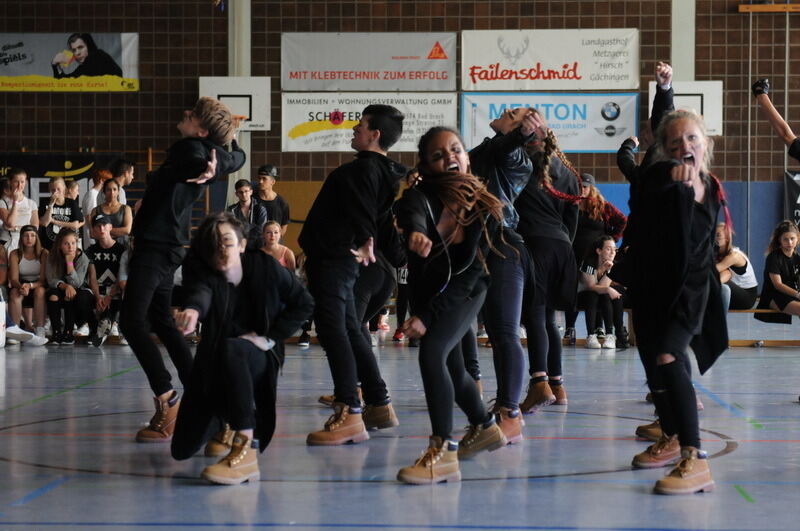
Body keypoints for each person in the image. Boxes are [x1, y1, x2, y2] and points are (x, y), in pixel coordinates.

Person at [120, 97, 245, 445]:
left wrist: (208, 163)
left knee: (130, 322)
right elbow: (237, 157)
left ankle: (167, 399)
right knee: (161, 320)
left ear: (201, 130)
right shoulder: (207, 151)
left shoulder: (190, 149)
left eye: (191, 116)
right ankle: (207, 401)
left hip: (158, 247)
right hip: (163, 244)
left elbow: (199, 157)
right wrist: (218, 163)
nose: (184, 115)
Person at [616, 109, 728, 495]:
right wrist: (669, 177)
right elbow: (646, 188)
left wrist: (686, 182)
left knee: (668, 356)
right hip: (651, 286)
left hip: (690, 289)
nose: (685, 146)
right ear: (663, 150)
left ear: (706, 144)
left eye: (692, 139)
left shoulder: (710, 186)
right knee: (652, 363)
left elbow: (699, 238)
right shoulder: (656, 178)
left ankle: (695, 458)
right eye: (675, 142)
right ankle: (672, 436)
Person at [394, 127, 508, 485]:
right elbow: (411, 212)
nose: (450, 158)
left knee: (431, 353)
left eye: (456, 149)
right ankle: (485, 426)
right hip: (426, 291)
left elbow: (471, 275)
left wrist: (429, 317)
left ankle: (442, 450)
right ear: (427, 165)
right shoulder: (419, 196)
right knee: (454, 369)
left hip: (466, 292)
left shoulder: (486, 206)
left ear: (468, 157)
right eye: (439, 155)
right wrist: (415, 233)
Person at [169, 213, 313, 485]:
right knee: (182, 449)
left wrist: (270, 338)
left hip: (257, 355)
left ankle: (245, 448)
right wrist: (192, 310)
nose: (221, 249)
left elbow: (304, 303)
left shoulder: (266, 267)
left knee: (233, 349)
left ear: (243, 244)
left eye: (227, 242)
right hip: (213, 361)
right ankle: (220, 417)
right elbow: (200, 292)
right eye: (214, 244)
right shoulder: (206, 272)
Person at [299, 104, 405, 445]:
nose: (354, 130)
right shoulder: (380, 172)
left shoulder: (363, 171)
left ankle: (349, 410)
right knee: (348, 327)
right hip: (338, 257)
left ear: (374, 134)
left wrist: (364, 240)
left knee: (333, 330)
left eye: (360, 126)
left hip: (336, 258)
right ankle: (378, 402)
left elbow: (363, 213)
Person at [468, 106, 541, 441]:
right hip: (475, 247)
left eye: (513, 113)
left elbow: (507, 147)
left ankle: (510, 412)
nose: (504, 110)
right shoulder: (485, 150)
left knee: (506, 333)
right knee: (495, 335)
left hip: (502, 247)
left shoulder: (516, 158)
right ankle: (501, 406)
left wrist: (521, 135)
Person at [516, 117, 582, 412]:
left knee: (535, 317)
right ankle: (558, 384)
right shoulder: (568, 172)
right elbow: (573, 219)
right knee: (550, 319)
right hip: (563, 248)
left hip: (536, 245)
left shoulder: (520, 165)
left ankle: (538, 382)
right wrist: (563, 241)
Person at [564, 173, 627, 346]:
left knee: (597, 287)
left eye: (585, 186)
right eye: (579, 186)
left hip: (595, 255)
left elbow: (622, 220)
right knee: (574, 288)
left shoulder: (602, 206)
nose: (582, 189)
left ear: (591, 188)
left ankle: (600, 327)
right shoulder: (571, 205)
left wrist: (610, 241)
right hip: (574, 254)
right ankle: (570, 326)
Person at [45, 229, 95, 345]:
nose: (70, 247)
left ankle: (68, 332)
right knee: (53, 296)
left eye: (73, 243)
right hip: (59, 287)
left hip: (78, 289)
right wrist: (65, 285)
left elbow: (77, 284)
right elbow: (51, 279)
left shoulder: (82, 258)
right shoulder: (51, 256)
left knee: (70, 295)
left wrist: (69, 263)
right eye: (66, 243)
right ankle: (56, 333)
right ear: (59, 245)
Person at [577, 236, 626, 350]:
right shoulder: (589, 263)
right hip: (583, 296)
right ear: (599, 251)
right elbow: (590, 286)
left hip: (600, 297)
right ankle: (591, 336)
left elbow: (603, 287)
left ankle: (610, 336)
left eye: (615, 249)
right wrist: (607, 287)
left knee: (604, 294)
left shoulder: (613, 265)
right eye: (609, 249)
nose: (613, 252)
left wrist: (607, 272)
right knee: (593, 295)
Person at [86, 214, 126, 347]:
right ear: (94, 230)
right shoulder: (90, 251)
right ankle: (97, 327)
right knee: (82, 298)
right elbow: (92, 277)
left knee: (123, 295)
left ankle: (114, 326)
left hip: (116, 289)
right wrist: (98, 297)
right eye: (98, 226)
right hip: (99, 289)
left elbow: (122, 276)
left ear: (110, 227)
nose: (102, 228)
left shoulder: (122, 250)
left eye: (104, 225)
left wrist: (109, 296)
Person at [754, 220, 800, 322]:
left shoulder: (797, 257)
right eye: (785, 239)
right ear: (780, 240)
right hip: (773, 296)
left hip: (791, 294)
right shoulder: (773, 257)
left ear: (797, 238)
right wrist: (798, 294)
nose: (789, 242)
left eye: (792, 239)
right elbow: (778, 285)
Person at [8, 225, 48, 339]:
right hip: (20, 283)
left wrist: (30, 286)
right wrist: (22, 287)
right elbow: (14, 279)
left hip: (37, 284)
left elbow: (43, 280)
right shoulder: (15, 254)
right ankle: (15, 330)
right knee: (14, 294)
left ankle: (40, 328)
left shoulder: (44, 253)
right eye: (26, 235)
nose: (29, 239)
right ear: (21, 238)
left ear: (36, 238)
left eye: (32, 236)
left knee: (40, 292)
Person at [715, 223, 758, 310]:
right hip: (734, 290)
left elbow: (713, 270)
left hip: (747, 297)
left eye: (718, 235)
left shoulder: (734, 255)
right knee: (721, 277)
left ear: (727, 238)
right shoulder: (718, 253)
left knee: (716, 281)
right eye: (713, 234)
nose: (714, 238)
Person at [39, 177, 84, 251]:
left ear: (64, 188)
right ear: (49, 190)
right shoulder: (45, 202)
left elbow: (75, 225)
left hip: (68, 247)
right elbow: (45, 223)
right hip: (49, 246)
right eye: (53, 190)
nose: (55, 192)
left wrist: (54, 221)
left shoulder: (71, 203)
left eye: (58, 189)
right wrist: (51, 204)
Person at [0, 168, 39, 251]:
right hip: (7, 242)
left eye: (22, 182)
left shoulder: (31, 203)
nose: (19, 185)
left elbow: (35, 227)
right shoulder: (2, 202)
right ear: (10, 182)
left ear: (26, 182)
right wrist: (15, 202)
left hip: (26, 242)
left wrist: (16, 228)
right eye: (16, 181)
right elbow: (11, 223)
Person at [51, 33, 122, 78]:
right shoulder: (85, 66)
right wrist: (56, 65)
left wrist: (55, 65)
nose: (77, 53)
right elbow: (64, 83)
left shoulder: (97, 56)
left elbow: (67, 82)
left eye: (80, 47)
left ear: (89, 46)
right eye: (74, 50)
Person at [227, 179, 268, 250]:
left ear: (251, 192)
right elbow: (231, 229)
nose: (244, 194)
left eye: (246, 191)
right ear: (236, 194)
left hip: (257, 247)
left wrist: (243, 229)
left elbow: (261, 229)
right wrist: (252, 226)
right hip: (238, 247)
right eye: (241, 192)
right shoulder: (231, 210)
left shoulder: (260, 208)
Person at [90, 179, 132, 248]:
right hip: (101, 248)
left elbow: (127, 230)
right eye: (108, 190)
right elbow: (92, 233)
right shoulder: (95, 210)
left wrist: (103, 231)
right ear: (104, 192)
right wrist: (117, 232)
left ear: (118, 191)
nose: (112, 192)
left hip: (122, 247)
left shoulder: (126, 209)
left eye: (114, 189)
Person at [254, 165, 290, 237]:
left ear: (273, 182)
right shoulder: (252, 200)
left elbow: (283, 227)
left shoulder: (282, 203)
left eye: (264, 179)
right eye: (259, 178)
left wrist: (273, 241)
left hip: (275, 243)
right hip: (256, 243)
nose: (260, 181)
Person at [82, 168, 113, 248]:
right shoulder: (92, 194)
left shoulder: (97, 194)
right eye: (108, 181)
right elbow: (89, 216)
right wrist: (94, 233)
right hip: (93, 237)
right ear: (101, 180)